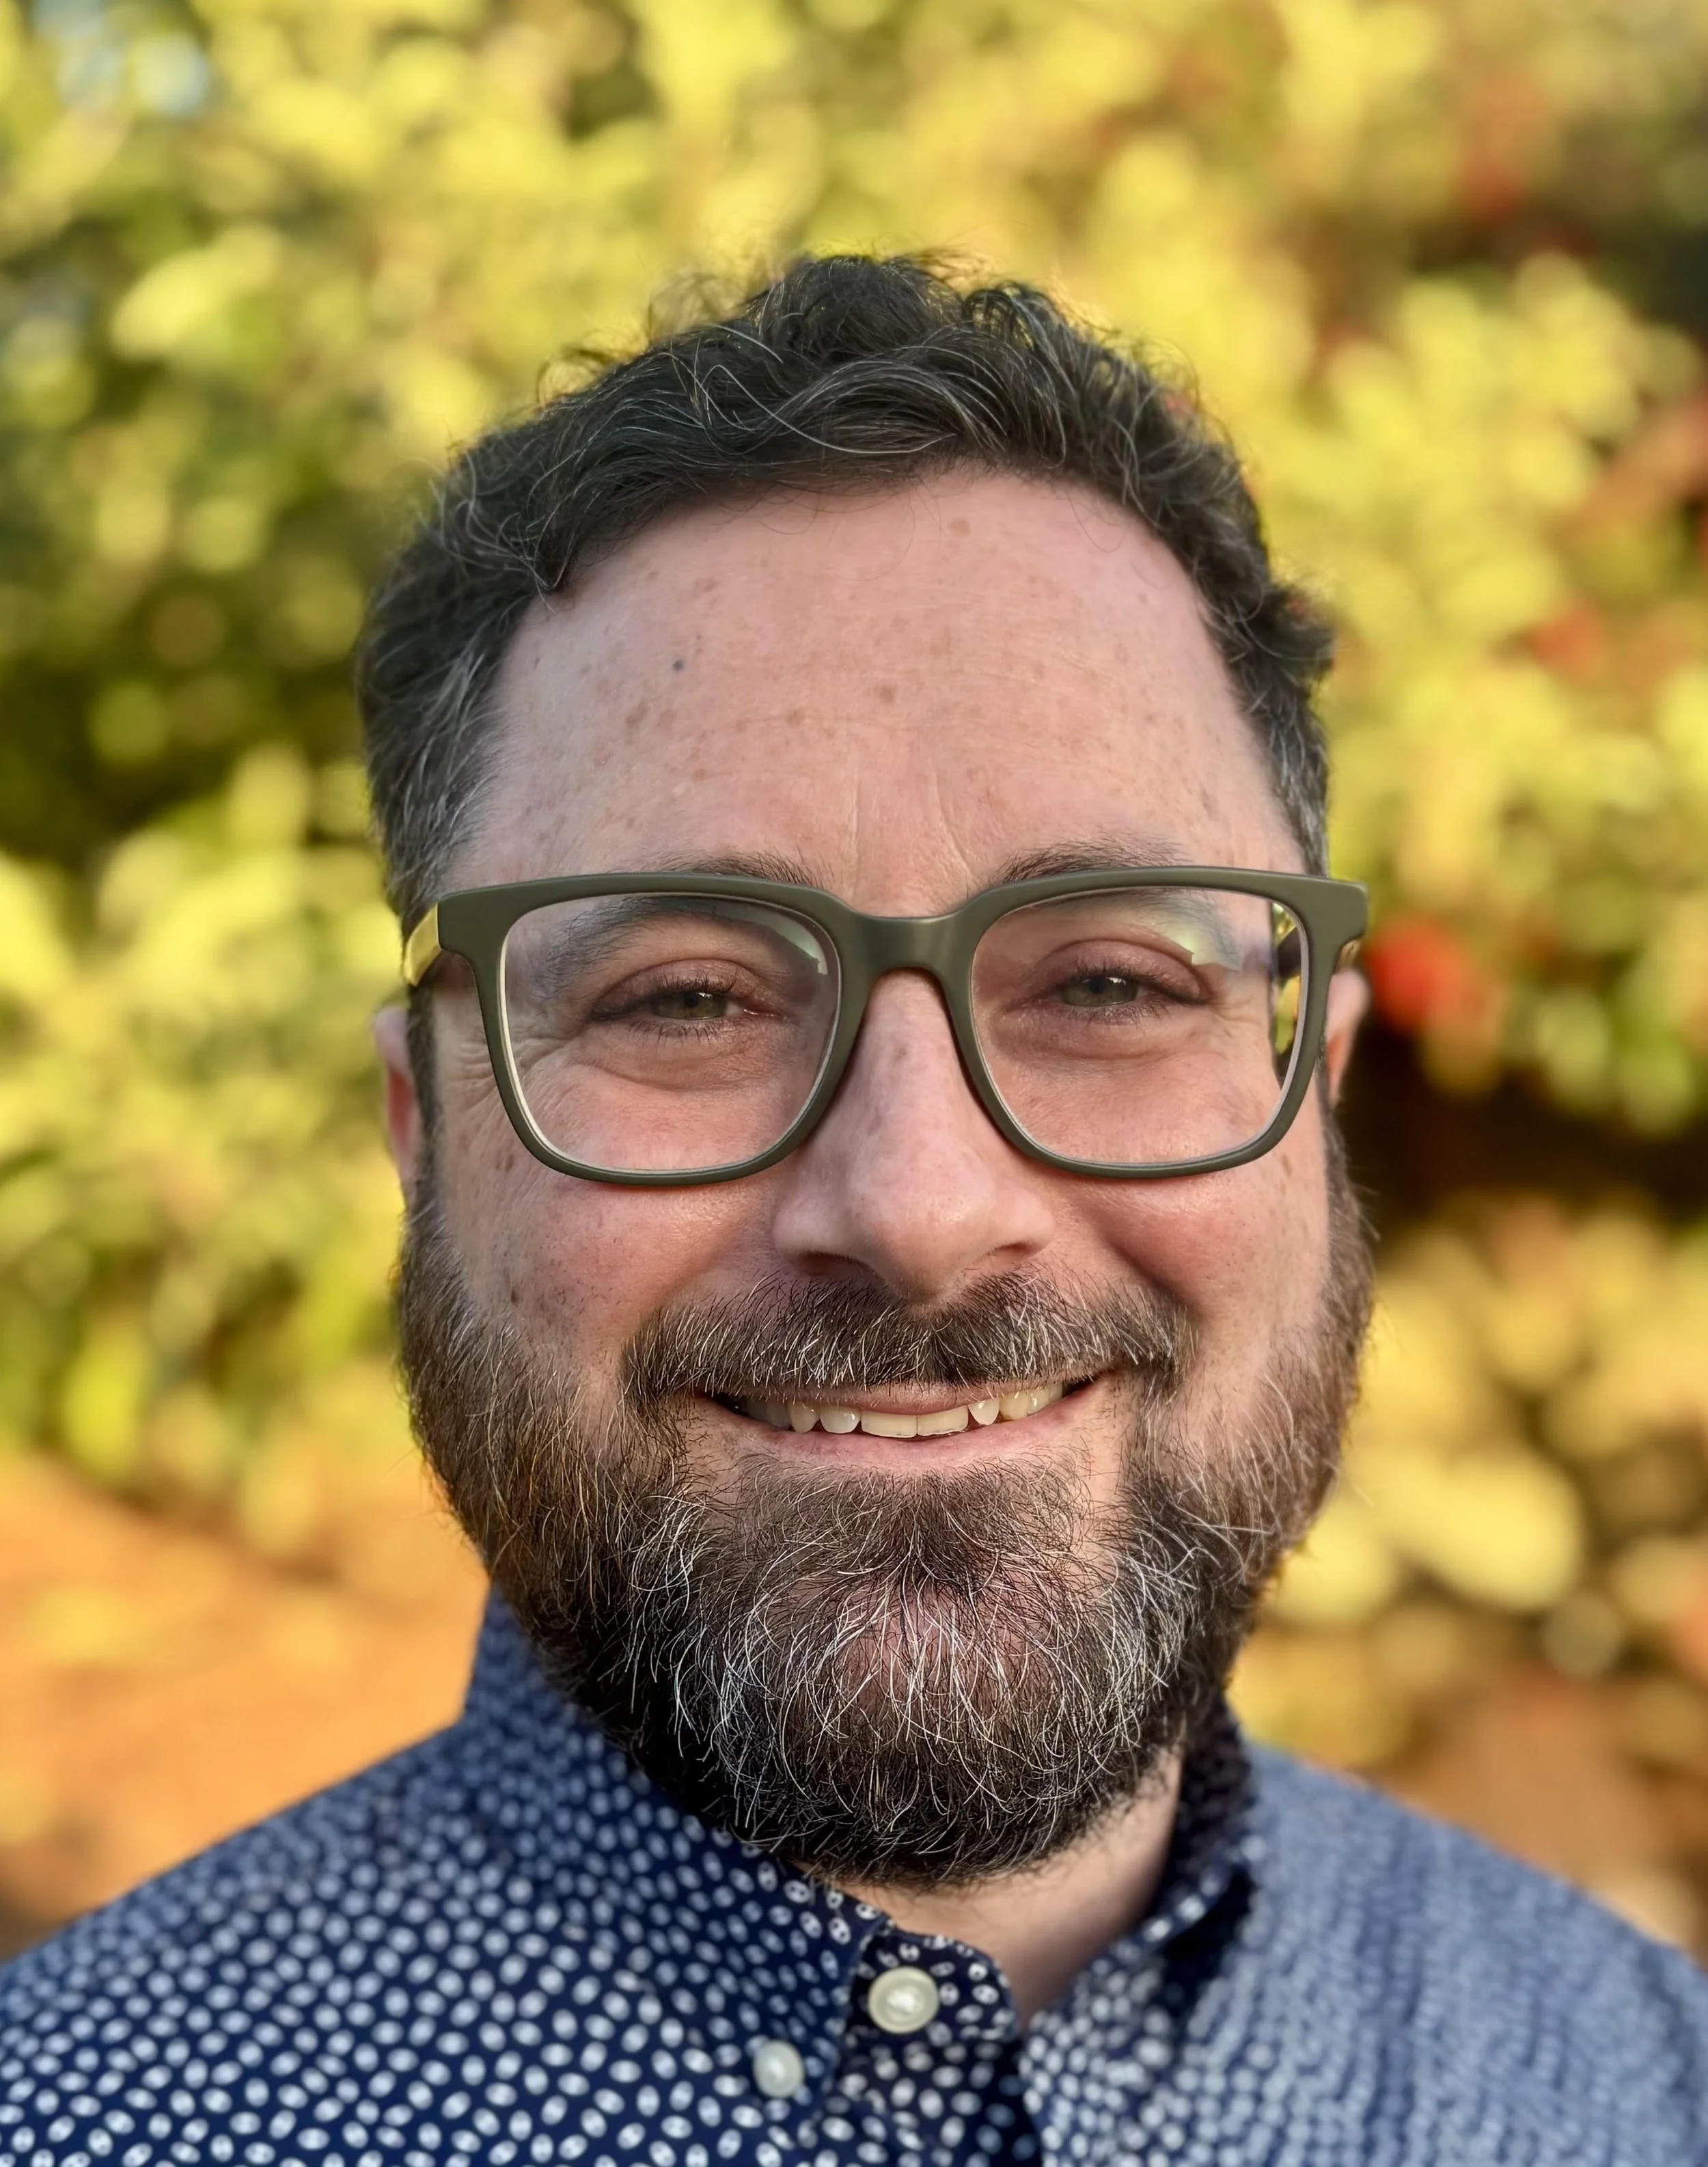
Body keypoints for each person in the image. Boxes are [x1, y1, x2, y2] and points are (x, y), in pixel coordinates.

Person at [1, 255, 1703, 2167]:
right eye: (683, 999)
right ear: (422, 1126)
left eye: (1110, 986)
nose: (915, 1203)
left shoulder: (1641, 2082)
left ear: (1306, 1093)